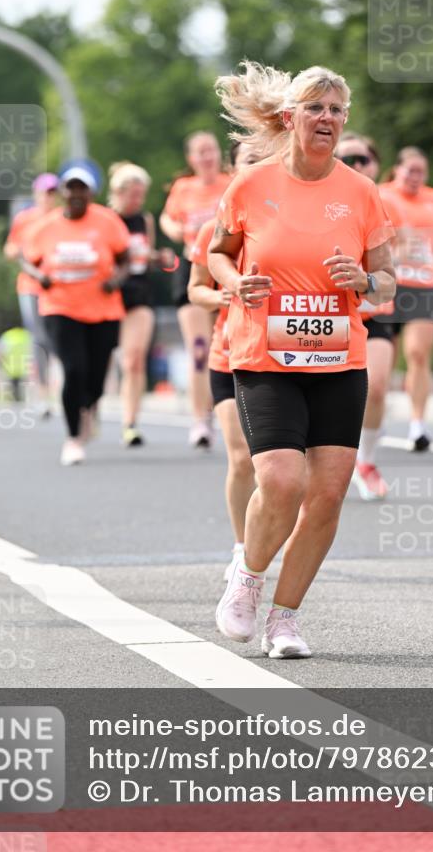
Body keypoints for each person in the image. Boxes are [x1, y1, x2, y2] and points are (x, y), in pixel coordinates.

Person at [208, 62, 395, 658]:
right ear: (290, 117)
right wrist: (235, 284)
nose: (328, 119)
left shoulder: (361, 193)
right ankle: (248, 576)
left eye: (337, 110)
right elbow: (217, 254)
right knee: (281, 480)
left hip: (339, 358)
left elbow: (388, 283)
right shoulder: (250, 187)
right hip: (266, 356)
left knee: (330, 492)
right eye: (317, 107)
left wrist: (365, 278)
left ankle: (284, 620)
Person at [187, 141, 265, 579]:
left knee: (284, 468)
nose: (257, 167)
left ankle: (272, 540)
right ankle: (242, 547)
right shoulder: (213, 229)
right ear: (234, 170)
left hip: (280, 358)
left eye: (264, 159)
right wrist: (225, 293)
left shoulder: (284, 222)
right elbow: (194, 290)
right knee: (242, 458)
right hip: (229, 355)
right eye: (249, 160)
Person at [23, 163, 131, 466]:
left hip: (103, 310)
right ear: (62, 192)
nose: (76, 194)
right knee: (73, 369)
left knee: (95, 378)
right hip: (60, 308)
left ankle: (87, 406)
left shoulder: (107, 222)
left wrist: (116, 280)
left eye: (82, 188)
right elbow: (26, 259)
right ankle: (72, 438)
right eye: (70, 188)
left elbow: (125, 259)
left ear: (91, 193)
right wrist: (39, 276)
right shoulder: (46, 226)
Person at [379, 148, 433, 451]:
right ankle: (378, 413)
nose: (415, 177)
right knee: (384, 358)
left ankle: (417, 425)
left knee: (417, 353)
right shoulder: (381, 195)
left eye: (420, 172)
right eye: (409, 171)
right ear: (397, 170)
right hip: (389, 283)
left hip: (424, 284)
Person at [335, 133, 399, 499]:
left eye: (364, 159)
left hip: (375, 308)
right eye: (349, 159)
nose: (357, 166)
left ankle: (367, 460)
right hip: (333, 313)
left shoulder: (387, 200)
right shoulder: (324, 196)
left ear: (375, 163)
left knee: (376, 388)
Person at [160, 132, 231, 448]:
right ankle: (200, 421)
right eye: (200, 152)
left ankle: (227, 409)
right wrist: (172, 228)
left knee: (227, 342)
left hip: (227, 265)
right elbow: (167, 217)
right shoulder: (183, 188)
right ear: (191, 159)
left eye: (211, 150)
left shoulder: (232, 182)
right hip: (192, 265)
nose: (206, 157)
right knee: (200, 348)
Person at [107, 162, 176, 446]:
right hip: (108, 295)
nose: (137, 200)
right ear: (118, 193)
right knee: (98, 361)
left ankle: (130, 422)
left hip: (139, 294)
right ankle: (87, 413)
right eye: (132, 194)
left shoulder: (144, 219)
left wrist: (159, 257)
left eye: (141, 195)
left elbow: (145, 253)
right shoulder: (105, 219)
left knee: (134, 359)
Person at [4, 172, 60, 418]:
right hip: (30, 286)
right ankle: (42, 394)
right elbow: (10, 249)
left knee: (57, 337)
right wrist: (19, 251)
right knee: (38, 339)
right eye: (45, 192)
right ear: (37, 194)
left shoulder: (62, 218)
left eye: (53, 193)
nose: (49, 197)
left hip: (60, 287)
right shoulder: (25, 219)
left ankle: (58, 388)